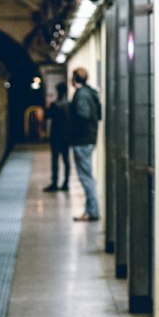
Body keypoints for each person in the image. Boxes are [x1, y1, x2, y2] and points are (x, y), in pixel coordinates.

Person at [69, 66, 101, 221]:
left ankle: (92, 211)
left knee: (86, 178)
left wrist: (73, 129)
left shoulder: (81, 95)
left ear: (74, 79)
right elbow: (98, 115)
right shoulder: (91, 93)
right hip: (89, 139)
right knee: (87, 177)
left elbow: (83, 115)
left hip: (82, 140)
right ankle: (89, 211)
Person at [43, 81, 70, 191]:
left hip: (56, 136)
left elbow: (46, 116)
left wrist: (47, 106)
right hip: (67, 136)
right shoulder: (69, 104)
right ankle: (66, 184)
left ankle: (54, 183)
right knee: (66, 160)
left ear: (58, 91)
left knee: (55, 161)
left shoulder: (55, 105)